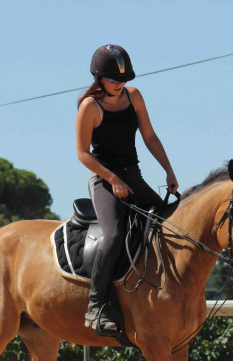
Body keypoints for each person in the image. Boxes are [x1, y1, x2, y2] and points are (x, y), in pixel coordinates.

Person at [75, 44, 179, 335]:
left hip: (133, 176)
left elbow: (149, 136)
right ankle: (96, 307)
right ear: (98, 78)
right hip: (103, 180)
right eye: (114, 80)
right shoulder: (89, 107)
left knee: (167, 222)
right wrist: (113, 179)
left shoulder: (134, 96)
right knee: (115, 235)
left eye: (124, 79)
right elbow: (83, 154)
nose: (121, 85)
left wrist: (169, 170)